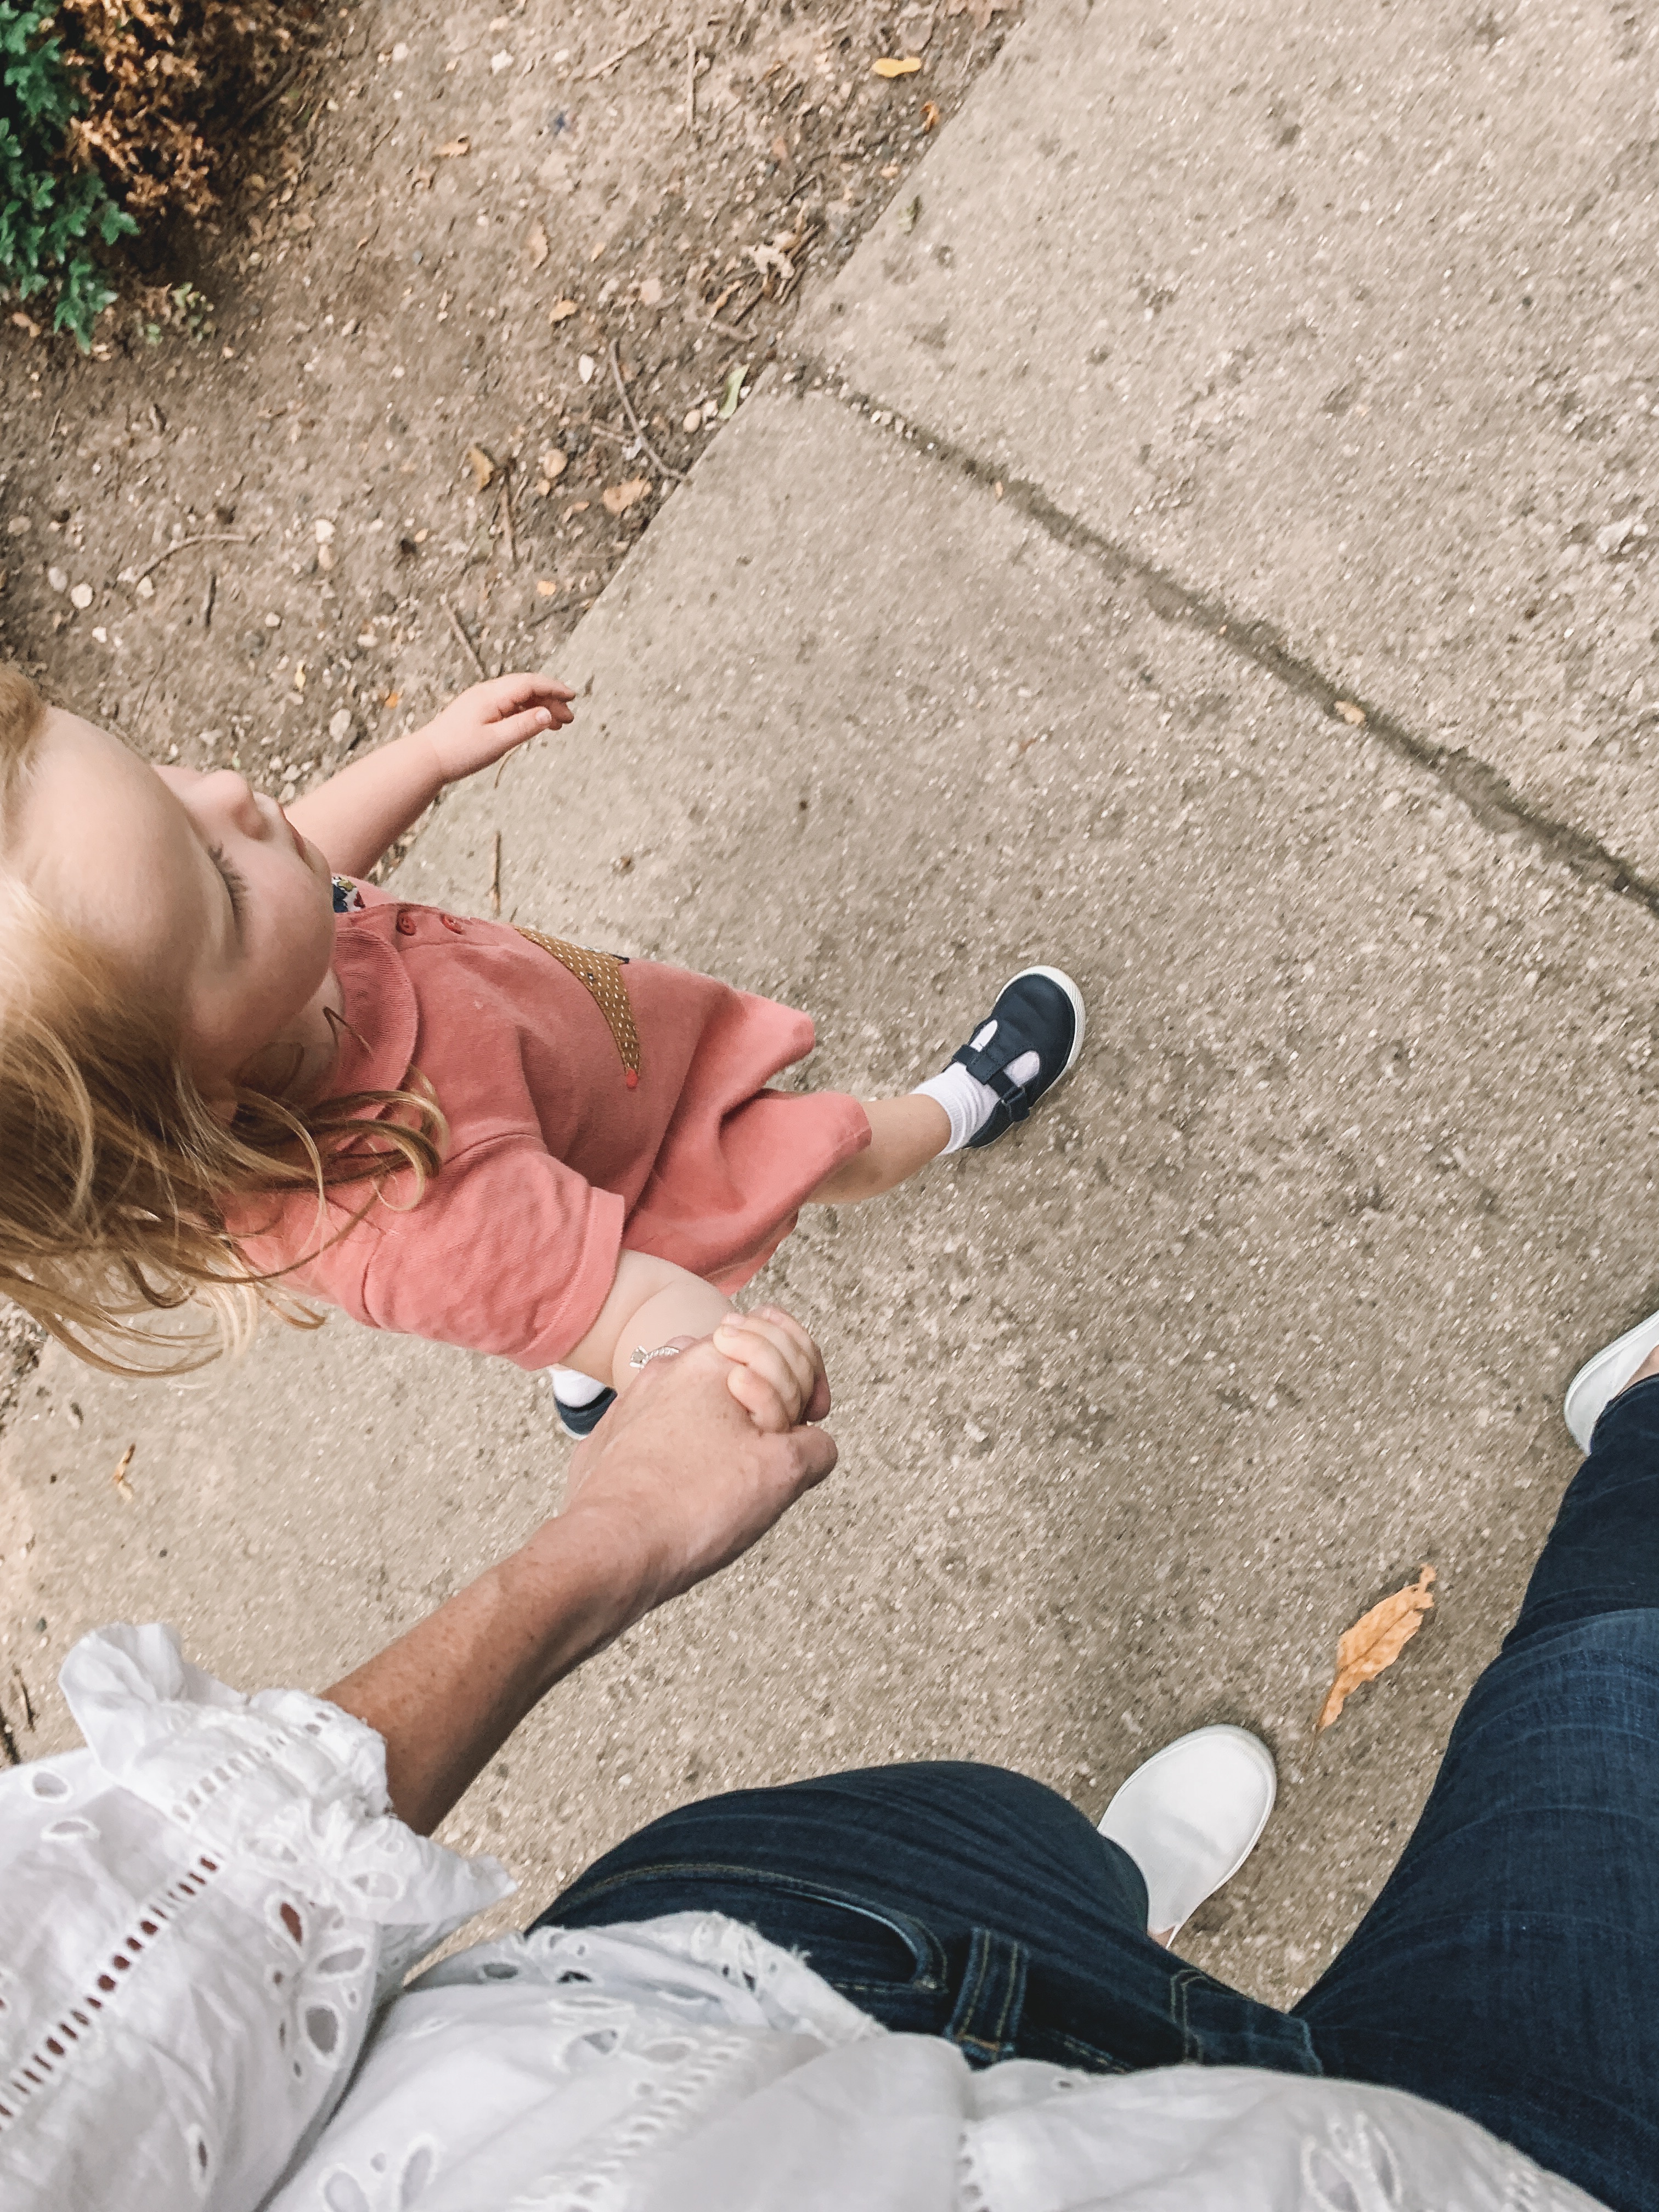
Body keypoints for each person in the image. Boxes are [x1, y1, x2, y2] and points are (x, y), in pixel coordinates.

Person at [4, 1307, 1652, 2212]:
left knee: (1013, 1839)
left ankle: (1110, 1912)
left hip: (753, 1989)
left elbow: (142, 1964)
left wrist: (605, 1546)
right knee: (1618, 1708)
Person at [0, 664, 1084, 1432]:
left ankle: (568, 1351)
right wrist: (687, 1359)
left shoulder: (251, 989)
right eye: (218, 877)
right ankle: (960, 1109)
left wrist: (427, 756)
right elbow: (640, 1304)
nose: (234, 794)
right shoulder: (411, 1209)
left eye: (165, 779)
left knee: (549, 1288)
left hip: (589, 1081)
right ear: (204, 1102)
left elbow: (305, 856)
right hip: (664, 1160)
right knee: (817, 1149)